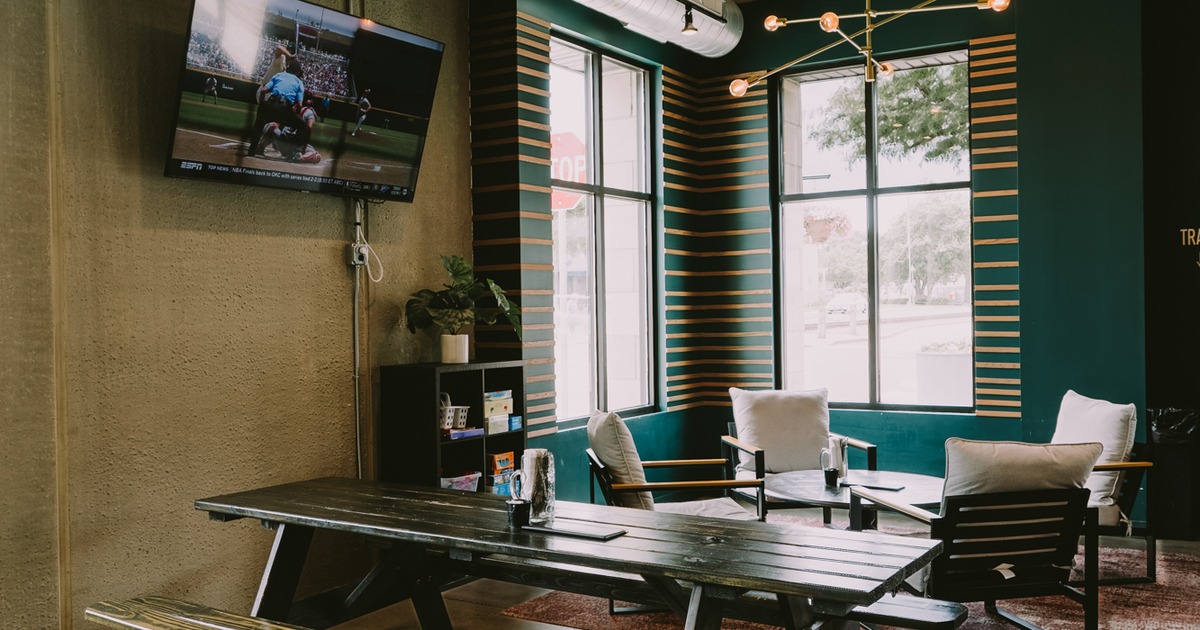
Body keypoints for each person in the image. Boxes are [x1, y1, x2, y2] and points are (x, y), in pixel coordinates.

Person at [247, 58, 305, 157]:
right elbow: (299, 104)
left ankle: (252, 150)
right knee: (303, 126)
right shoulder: (299, 82)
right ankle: (292, 151)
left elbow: (264, 90)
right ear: (298, 72)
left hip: (270, 104)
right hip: (284, 109)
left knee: (259, 123)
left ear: (288, 68)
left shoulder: (279, 75)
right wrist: (295, 114)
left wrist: (262, 104)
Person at [258, 97, 321, 163]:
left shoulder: (291, 107)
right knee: (316, 155)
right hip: (296, 147)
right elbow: (309, 128)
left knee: (271, 126)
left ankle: (260, 147)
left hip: (282, 142)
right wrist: (304, 147)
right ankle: (298, 156)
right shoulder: (309, 112)